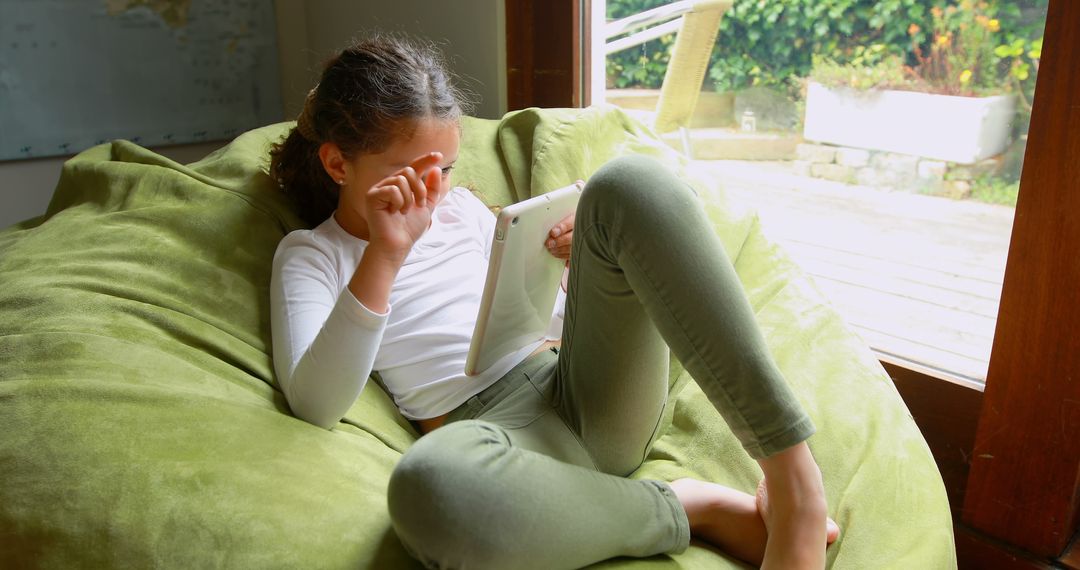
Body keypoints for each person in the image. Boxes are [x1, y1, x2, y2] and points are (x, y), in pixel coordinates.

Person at [268, 33, 839, 570]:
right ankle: (685, 508)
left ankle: (794, 482)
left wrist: (572, 275)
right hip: (498, 440)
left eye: (442, 170)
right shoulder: (313, 255)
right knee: (426, 487)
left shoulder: (463, 211)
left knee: (628, 184)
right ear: (339, 164)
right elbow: (316, 403)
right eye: (409, 174)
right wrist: (385, 255)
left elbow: (535, 318)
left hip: (588, 387)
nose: (433, 193)